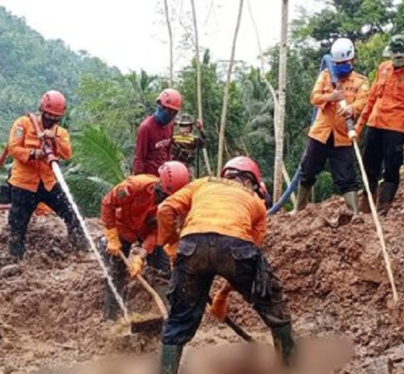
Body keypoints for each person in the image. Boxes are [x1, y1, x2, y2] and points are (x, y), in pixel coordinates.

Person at [156, 156, 294, 373]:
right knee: (272, 304)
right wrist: (223, 294)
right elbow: (251, 259)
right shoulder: (256, 202)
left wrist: (172, 242)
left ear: (226, 175)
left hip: (192, 246)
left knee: (179, 319)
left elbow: (164, 209)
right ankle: (289, 367)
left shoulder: (202, 183)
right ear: (251, 182)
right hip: (236, 245)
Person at [99, 161, 190, 321]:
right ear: (160, 182)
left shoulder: (171, 207)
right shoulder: (135, 185)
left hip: (145, 231)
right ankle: (111, 318)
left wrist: (140, 256)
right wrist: (112, 236)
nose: (164, 198)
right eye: (163, 193)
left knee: (162, 270)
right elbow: (108, 203)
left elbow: (157, 232)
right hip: (123, 227)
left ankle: (164, 316)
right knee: (117, 271)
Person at [294, 37, 369, 214]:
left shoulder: (360, 82)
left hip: (342, 136)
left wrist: (351, 108)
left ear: (352, 60)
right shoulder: (326, 75)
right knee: (307, 171)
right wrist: (330, 97)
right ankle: (298, 209)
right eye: (338, 63)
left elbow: (363, 101)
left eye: (344, 63)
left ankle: (354, 213)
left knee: (346, 176)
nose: (340, 66)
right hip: (320, 134)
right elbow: (314, 97)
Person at [7, 90, 85, 260]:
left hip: (48, 182)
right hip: (24, 184)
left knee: (71, 212)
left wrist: (54, 140)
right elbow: (13, 148)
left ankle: (81, 249)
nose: (52, 120)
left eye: (56, 118)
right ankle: (16, 258)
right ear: (42, 109)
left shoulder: (61, 133)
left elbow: (67, 154)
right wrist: (35, 154)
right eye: (49, 116)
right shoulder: (23, 124)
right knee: (17, 223)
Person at [353, 34, 404, 214]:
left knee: (392, 168)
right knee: (369, 164)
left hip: (396, 128)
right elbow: (371, 98)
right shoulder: (383, 68)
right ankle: (368, 200)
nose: (397, 60)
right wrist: (359, 125)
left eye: (401, 56)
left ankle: (384, 207)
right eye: (394, 56)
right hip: (375, 123)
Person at [132, 89, 182, 176]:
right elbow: (139, 157)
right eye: (169, 111)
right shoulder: (146, 128)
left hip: (164, 177)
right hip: (149, 177)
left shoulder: (170, 126)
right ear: (160, 106)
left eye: (174, 112)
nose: (171, 114)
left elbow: (168, 151)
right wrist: (139, 181)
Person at [170, 113, 207, 177]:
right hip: (175, 168)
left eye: (186, 126)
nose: (184, 128)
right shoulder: (173, 138)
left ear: (190, 127)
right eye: (182, 126)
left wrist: (201, 130)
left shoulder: (194, 139)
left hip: (186, 168)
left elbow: (206, 144)